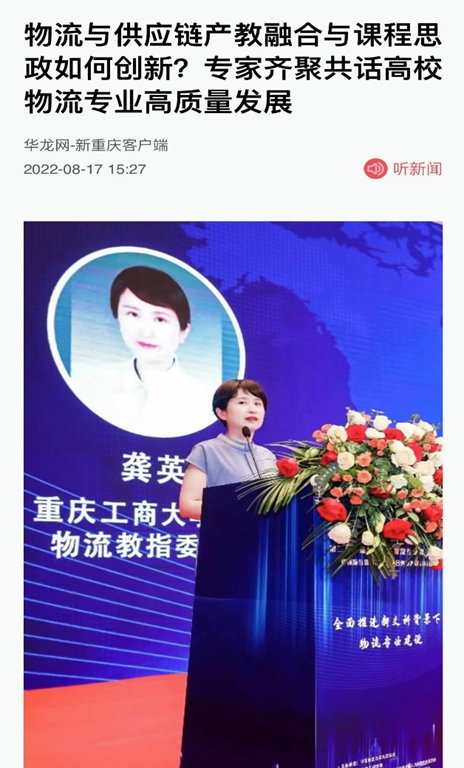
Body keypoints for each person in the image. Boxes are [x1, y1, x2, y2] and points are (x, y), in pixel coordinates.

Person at [72, 265, 215, 437]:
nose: (146, 332)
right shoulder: (90, 385)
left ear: (183, 331)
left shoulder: (204, 402)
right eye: (133, 314)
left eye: (160, 319)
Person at [179, 379, 277, 520]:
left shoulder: (267, 456)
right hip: (225, 532)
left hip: (266, 534)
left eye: (257, 403)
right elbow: (188, 505)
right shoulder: (206, 451)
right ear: (222, 413)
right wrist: (240, 509)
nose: (252, 409)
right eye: (242, 402)